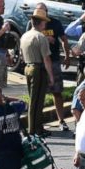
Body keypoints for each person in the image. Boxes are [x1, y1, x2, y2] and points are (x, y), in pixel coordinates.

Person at [33, 2, 71, 131]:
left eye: (42, 12)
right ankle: (37, 122)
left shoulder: (55, 23)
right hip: (39, 62)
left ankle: (61, 120)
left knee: (57, 92)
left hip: (53, 60)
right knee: (39, 94)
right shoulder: (32, 24)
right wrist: (44, 38)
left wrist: (67, 56)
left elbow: (64, 39)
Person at [20, 7, 55, 136]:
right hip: (38, 69)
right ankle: (34, 129)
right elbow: (46, 59)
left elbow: (22, 56)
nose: (45, 24)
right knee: (37, 101)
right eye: (44, 22)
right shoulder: (41, 37)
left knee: (34, 98)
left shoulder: (25, 35)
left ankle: (37, 127)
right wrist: (51, 76)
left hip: (28, 67)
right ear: (40, 23)